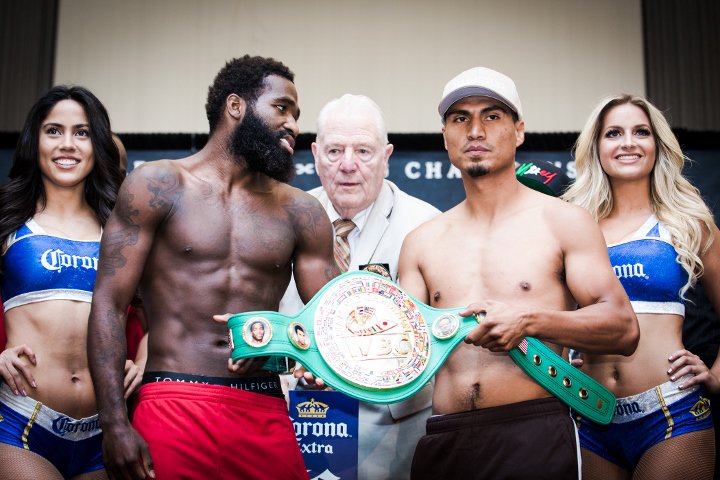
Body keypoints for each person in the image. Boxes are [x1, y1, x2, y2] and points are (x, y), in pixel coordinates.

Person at [87, 55, 340, 480]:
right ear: (236, 106)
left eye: (297, 116)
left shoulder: (302, 212)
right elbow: (108, 304)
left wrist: (289, 352)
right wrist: (112, 423)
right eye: (282, 109)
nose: (294, 125)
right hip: (171, 400)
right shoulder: (158, 184)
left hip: (263, 408)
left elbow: (334, 323)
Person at [398, 67, 640, 479]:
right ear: (445, 137)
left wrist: (529, 320)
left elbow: (623, 328)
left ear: (519, 131)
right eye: (460, 118)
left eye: (492, 116)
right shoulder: (420, 241)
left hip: (533, 431)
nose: (475, 130)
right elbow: (402, 351)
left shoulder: (564, 222)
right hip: (444, 438)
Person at [281, 94, 440, 479]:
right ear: (315, 155)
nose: (348, 165)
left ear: (387, 157)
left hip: (392, 432)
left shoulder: (428, 225)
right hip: (298, 421)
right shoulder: (284, 217)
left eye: (363, 151)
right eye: (335, 150)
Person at [563, 94, 720, 479]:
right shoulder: (572, 223)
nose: (628, 142)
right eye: (613, 133)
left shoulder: (689, 221)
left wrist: (716, 376)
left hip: (671, 412)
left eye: (641, 132)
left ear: (657, 144)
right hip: (589, 414)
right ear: (596, 147)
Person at [0, 85, 137, 479]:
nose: (68, 144)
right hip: (22, 424)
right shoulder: (9, 220)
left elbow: (162, 307)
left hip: (105, 431)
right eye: (54, 131)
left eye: (82, 133)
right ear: (34, 141)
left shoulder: (121, 228)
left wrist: (143, 362)